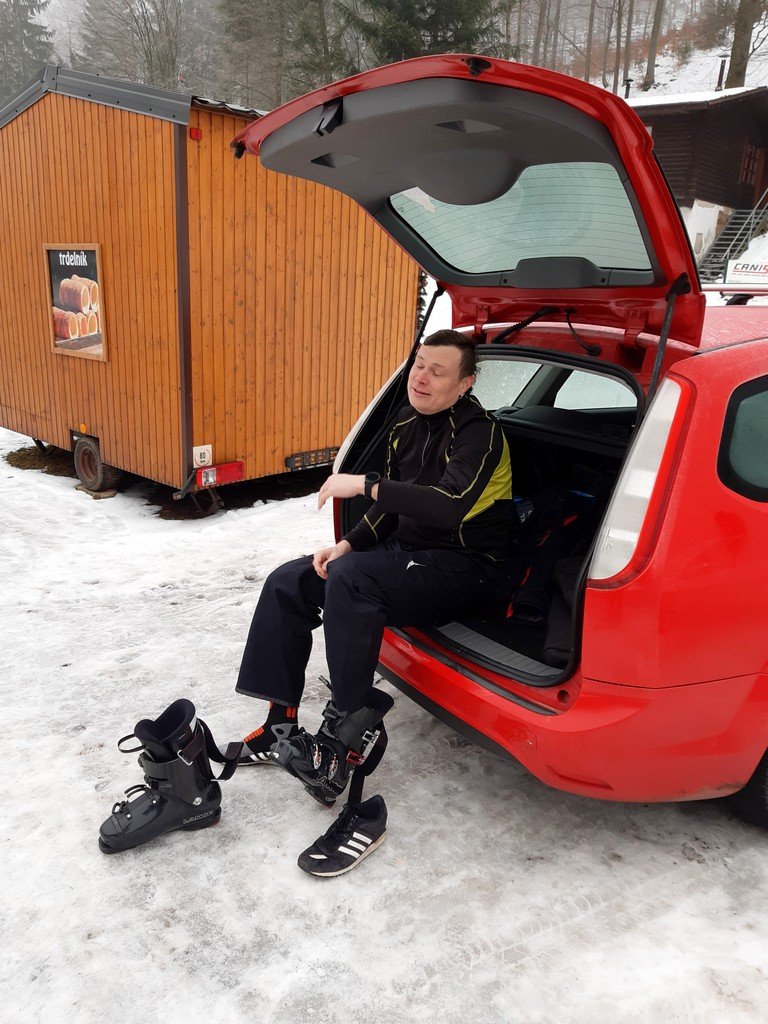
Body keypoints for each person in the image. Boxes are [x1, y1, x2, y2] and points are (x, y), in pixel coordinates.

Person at [234, 329, 512, 870]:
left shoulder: (481, 434)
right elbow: (389, 509)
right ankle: (279, 723)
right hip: (410, 553)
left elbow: (447, 505)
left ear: (465, 383)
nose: (421, 377)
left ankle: (344, 736)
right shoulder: (405, 423)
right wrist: (346, 544)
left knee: (352, 582)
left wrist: (363, 484)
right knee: (290, 581)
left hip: (469, 566)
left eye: (437, 371)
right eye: (418, 364)